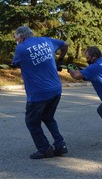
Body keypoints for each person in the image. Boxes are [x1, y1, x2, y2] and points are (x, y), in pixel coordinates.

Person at [12, 26, 69, 159]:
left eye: (16, 38)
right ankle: (60, 145)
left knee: (32, 122)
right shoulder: (47, 41)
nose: (16, 40)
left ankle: (44, 149)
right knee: (48, 117)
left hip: (38, 93)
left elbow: (15, 63)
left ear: (21, 37)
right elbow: (65, 45)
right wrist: (60, 60)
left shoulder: (21, 48)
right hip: (56, 89)